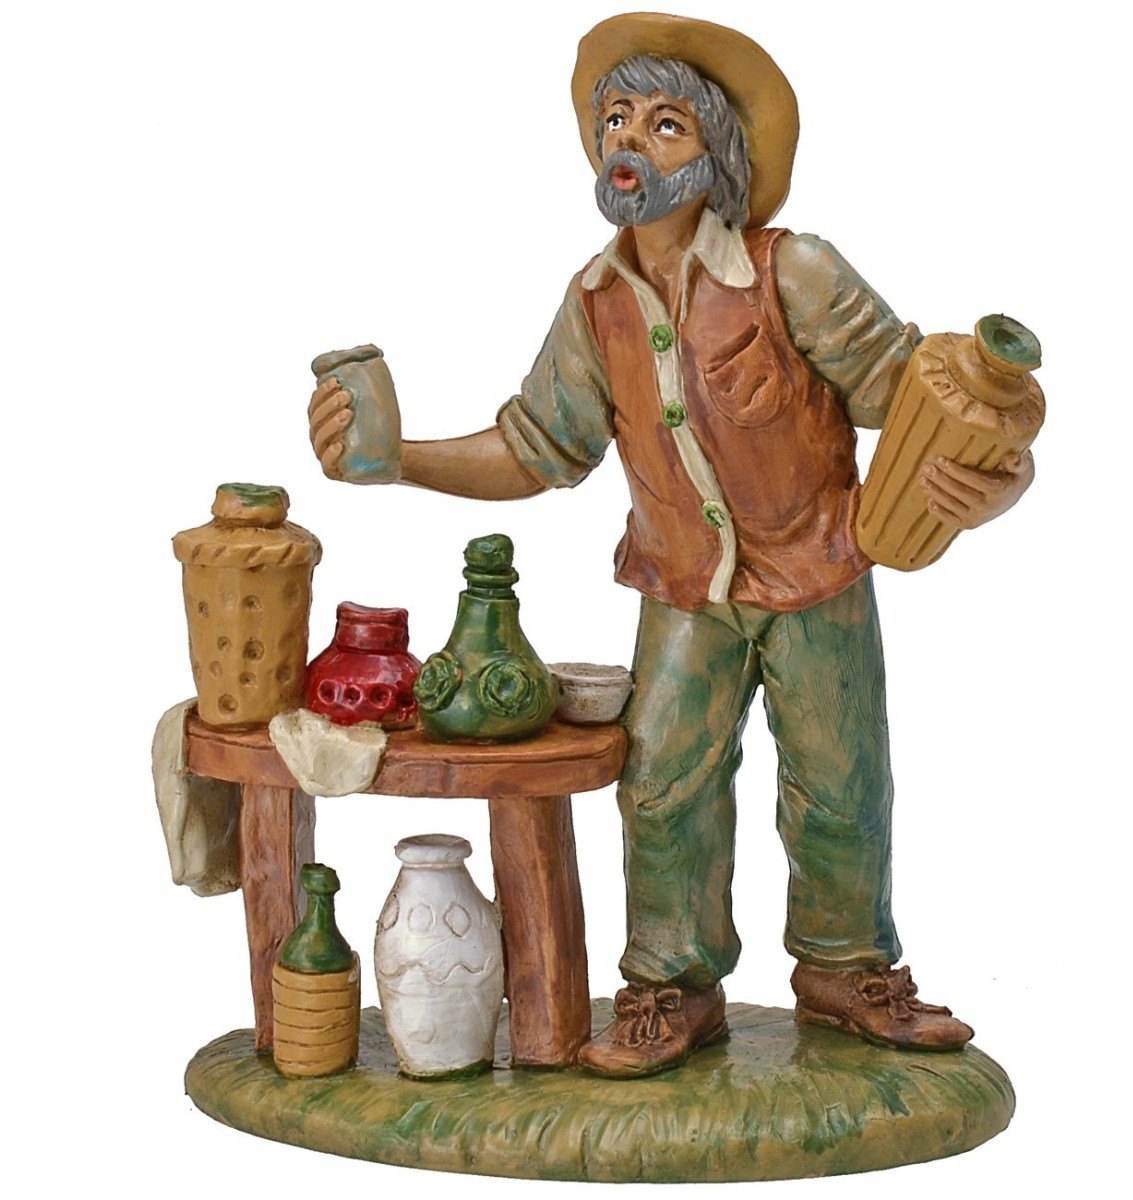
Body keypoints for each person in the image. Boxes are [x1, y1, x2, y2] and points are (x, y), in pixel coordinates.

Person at [307, 13, 1033, 1079]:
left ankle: (847, 970)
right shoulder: (596, 303)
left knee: (841, 782)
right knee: (662, 788)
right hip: (686, 589)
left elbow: (910, 392)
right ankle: (671, 985)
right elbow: (537, 446)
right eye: (615, 120)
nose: (628, 143)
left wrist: (996, 478)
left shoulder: (794, 271)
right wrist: (397, 459)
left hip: (819, 570)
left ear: (718, 155)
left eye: (664, 123)